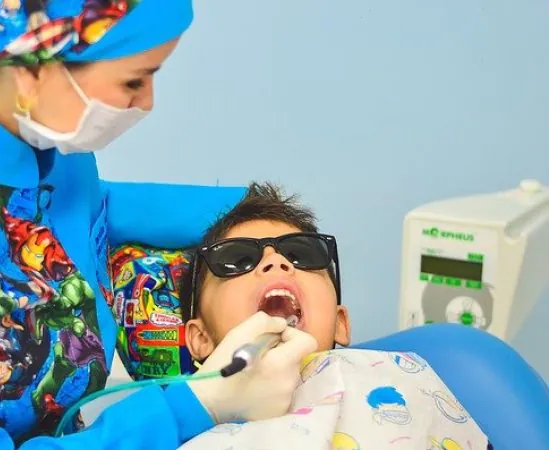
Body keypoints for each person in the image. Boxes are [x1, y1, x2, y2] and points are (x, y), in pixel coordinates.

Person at [0, 2, 316, 449]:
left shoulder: (25, 121)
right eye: (134, 81)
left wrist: (259, 214)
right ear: (32, 68)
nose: (147, 102)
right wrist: (200, 405)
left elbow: (71, 210)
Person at [177, 182, 490, 449]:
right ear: (201, 339)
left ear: (340, 323)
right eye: (236, 259)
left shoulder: (403, 376)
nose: (276, 261)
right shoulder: (180, 433)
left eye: (301, 255)